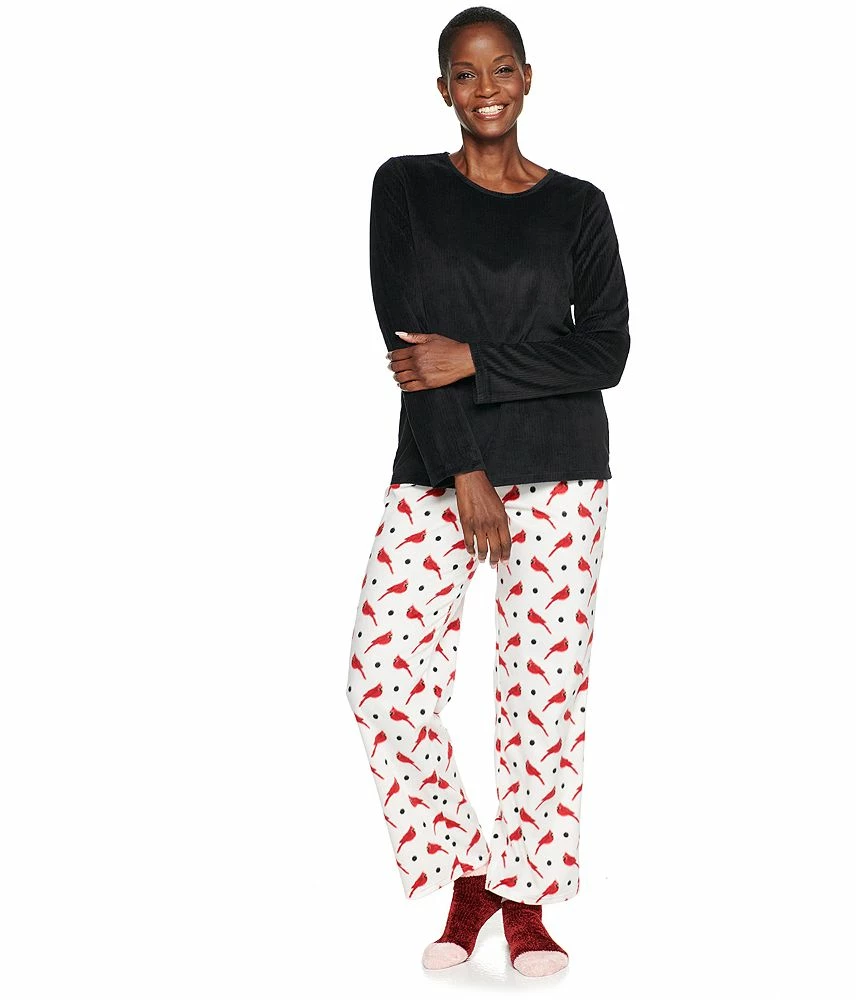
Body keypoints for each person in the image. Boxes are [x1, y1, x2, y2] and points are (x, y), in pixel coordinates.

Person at [345, 6, 630, 979]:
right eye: (465, 74)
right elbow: (406, 345)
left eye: (501, 68)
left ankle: (526, 896)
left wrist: (476, 356)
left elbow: (606, 350)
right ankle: (468, 868)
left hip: (563, 466)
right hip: (441, 468)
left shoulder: (578, 206)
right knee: (381, 678)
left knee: (541, 693)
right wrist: (468, 472)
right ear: (443, 89)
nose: (486, 89)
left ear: (528, 77)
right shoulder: (405, 188)